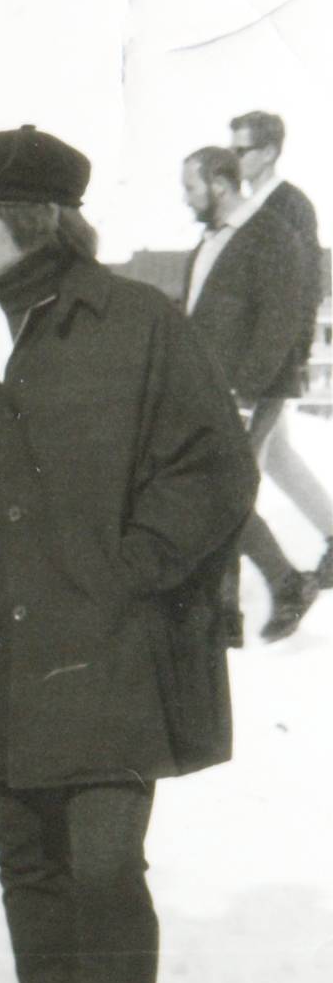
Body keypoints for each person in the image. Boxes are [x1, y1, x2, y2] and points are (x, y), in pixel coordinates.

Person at [0, 126, 256, 983]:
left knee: (106, 862)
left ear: (37, 219)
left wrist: (134, 569)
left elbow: (217, 467)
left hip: (111, 645)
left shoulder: (140, 322)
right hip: (1, 641)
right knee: (24, 857)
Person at [179, 146, 322, 639]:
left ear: (218, 184)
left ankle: (273, 589)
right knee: (218, 492)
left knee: (220, 492)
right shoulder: (214, 240)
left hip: (247, 392)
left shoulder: (270, 235)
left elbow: (276, 325)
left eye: (191, 186)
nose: (186, 198)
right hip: (210, 389)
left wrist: (243, 395)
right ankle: (238, 609)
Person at [226, 111, 333, 631]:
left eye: (242, 149)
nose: (234, 158)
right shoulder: (250, 206)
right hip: (255, 363)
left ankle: (281, 585)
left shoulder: (289, 205)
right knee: (281, 459)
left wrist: (287, 358)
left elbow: (305, 285)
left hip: (269, 367)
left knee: (233, 477)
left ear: (268, 152)